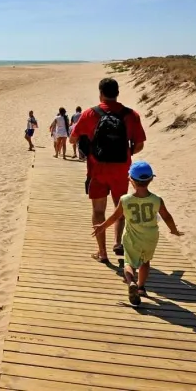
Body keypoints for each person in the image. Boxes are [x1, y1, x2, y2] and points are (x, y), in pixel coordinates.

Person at [70, 78, 146, 263]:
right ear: (117, 93)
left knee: (98, 210)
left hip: (97, 170)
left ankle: (102, 252)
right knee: (119, 208)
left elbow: (72, 139)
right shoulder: (131, 115)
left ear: (100, 93)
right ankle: (117, 243)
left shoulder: (90, 114)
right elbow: (140, 145)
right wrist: (125, 154)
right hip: (121, 170)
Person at [93, 161, 181, 306]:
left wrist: (102, 226)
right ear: (151, 179)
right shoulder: (156, 200)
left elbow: (115, 217)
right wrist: (174, 230)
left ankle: (131, 282)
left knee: (128, 263)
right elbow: (167, 216)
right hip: (151, 237)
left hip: (132, 238)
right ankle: (140, 287)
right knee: (145, 262)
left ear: (130, 180)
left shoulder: (125, 199)